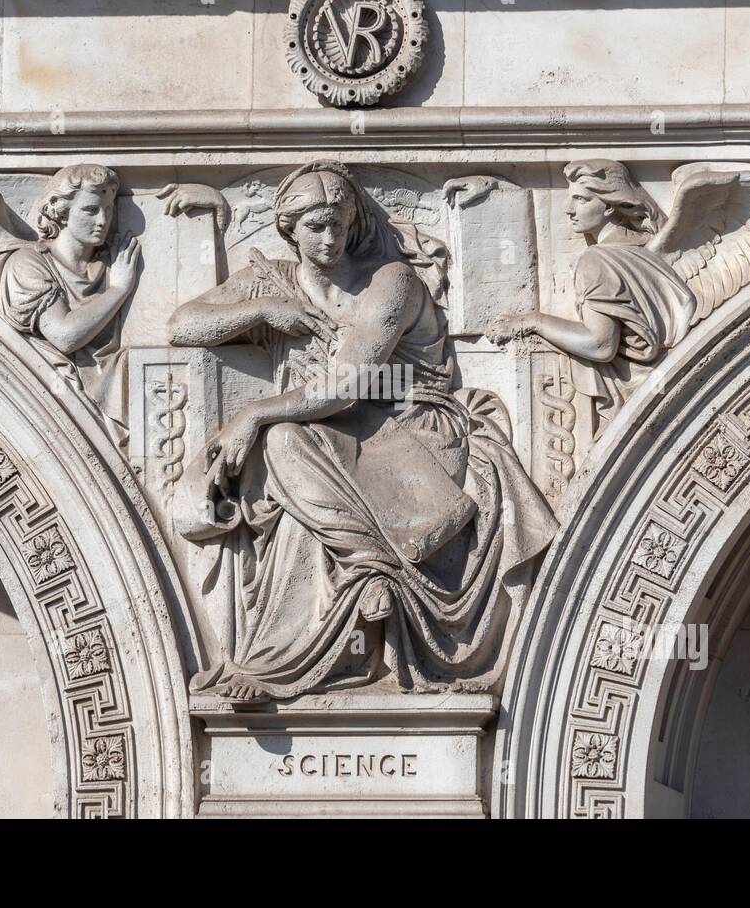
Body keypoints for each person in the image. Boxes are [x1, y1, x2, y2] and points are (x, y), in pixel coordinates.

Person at [169, 160, 556, 703]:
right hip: (329, 434)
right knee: (286, 454)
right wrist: (261, 309)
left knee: (282, 439)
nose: (329, 238)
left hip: (410, 424)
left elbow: (346, 387)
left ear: (353, 222)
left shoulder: (389, 281)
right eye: (314, 226)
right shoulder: (272, 280)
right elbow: (182, 325)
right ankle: (330, 610)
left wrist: (253, 414)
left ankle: (370, 571)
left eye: (338, 223)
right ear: (289, 228)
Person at [487, 159, 696, 432]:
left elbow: (600, 345)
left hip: (641, 400)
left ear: (610, 205)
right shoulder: (647, 247)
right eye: (569, 199)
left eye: (581, 200)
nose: (568, 210)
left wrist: (533, 321)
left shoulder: (597, 259)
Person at [0, 164, 139, 436]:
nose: (103, 220)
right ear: (60, 211)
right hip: (48, 407)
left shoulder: (108, 264)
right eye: (91, 210)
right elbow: (64, 335)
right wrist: (118, 290)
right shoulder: (28, 263)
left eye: (108, 209)